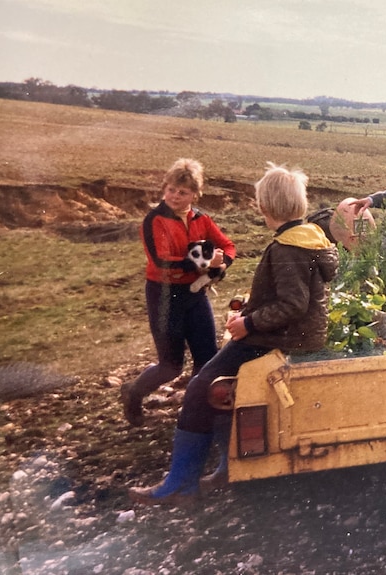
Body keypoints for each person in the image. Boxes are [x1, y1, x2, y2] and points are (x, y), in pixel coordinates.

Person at [128, 162, 339, 506]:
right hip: (295, 335)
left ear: (265, 206)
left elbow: (293, 304)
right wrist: (252, 310)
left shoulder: (288, 248)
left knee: (200, 389)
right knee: (221, 387)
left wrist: (249, 324)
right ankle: (226, 468)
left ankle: (182, 484)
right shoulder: (308, 238)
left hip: (278, 338)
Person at [121, 158, 236, 427]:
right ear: (164, 188)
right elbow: (161, 262)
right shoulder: (154, 220)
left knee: (207, 359)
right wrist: (207, 263)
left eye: (182, 192)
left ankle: (196, 413)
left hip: (194, 294)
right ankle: (133, 392)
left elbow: (228, 246)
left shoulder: (201, 219)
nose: (175, 196)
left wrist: (224, 263)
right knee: (170, 366)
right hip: (164, 296)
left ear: (195, 195)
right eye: (171, 189)